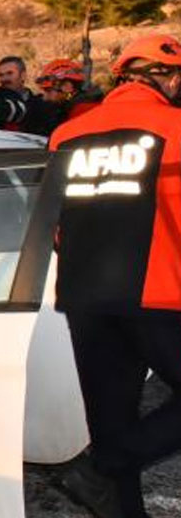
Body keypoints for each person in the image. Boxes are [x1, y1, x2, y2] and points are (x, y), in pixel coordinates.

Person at [48, 33, 181, 518]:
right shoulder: (175, 127)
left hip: (84, 295)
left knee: (111, 417)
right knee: (116, 443)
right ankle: (102, 466)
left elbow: (55, 221)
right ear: (164, 77)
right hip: (159, 291)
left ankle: (113, 485)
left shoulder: (66, 135)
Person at [37, 58, 104, 129]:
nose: (45, 97)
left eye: (48, 90)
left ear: (67, 87)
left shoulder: (79, 114)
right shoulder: (92, 105)